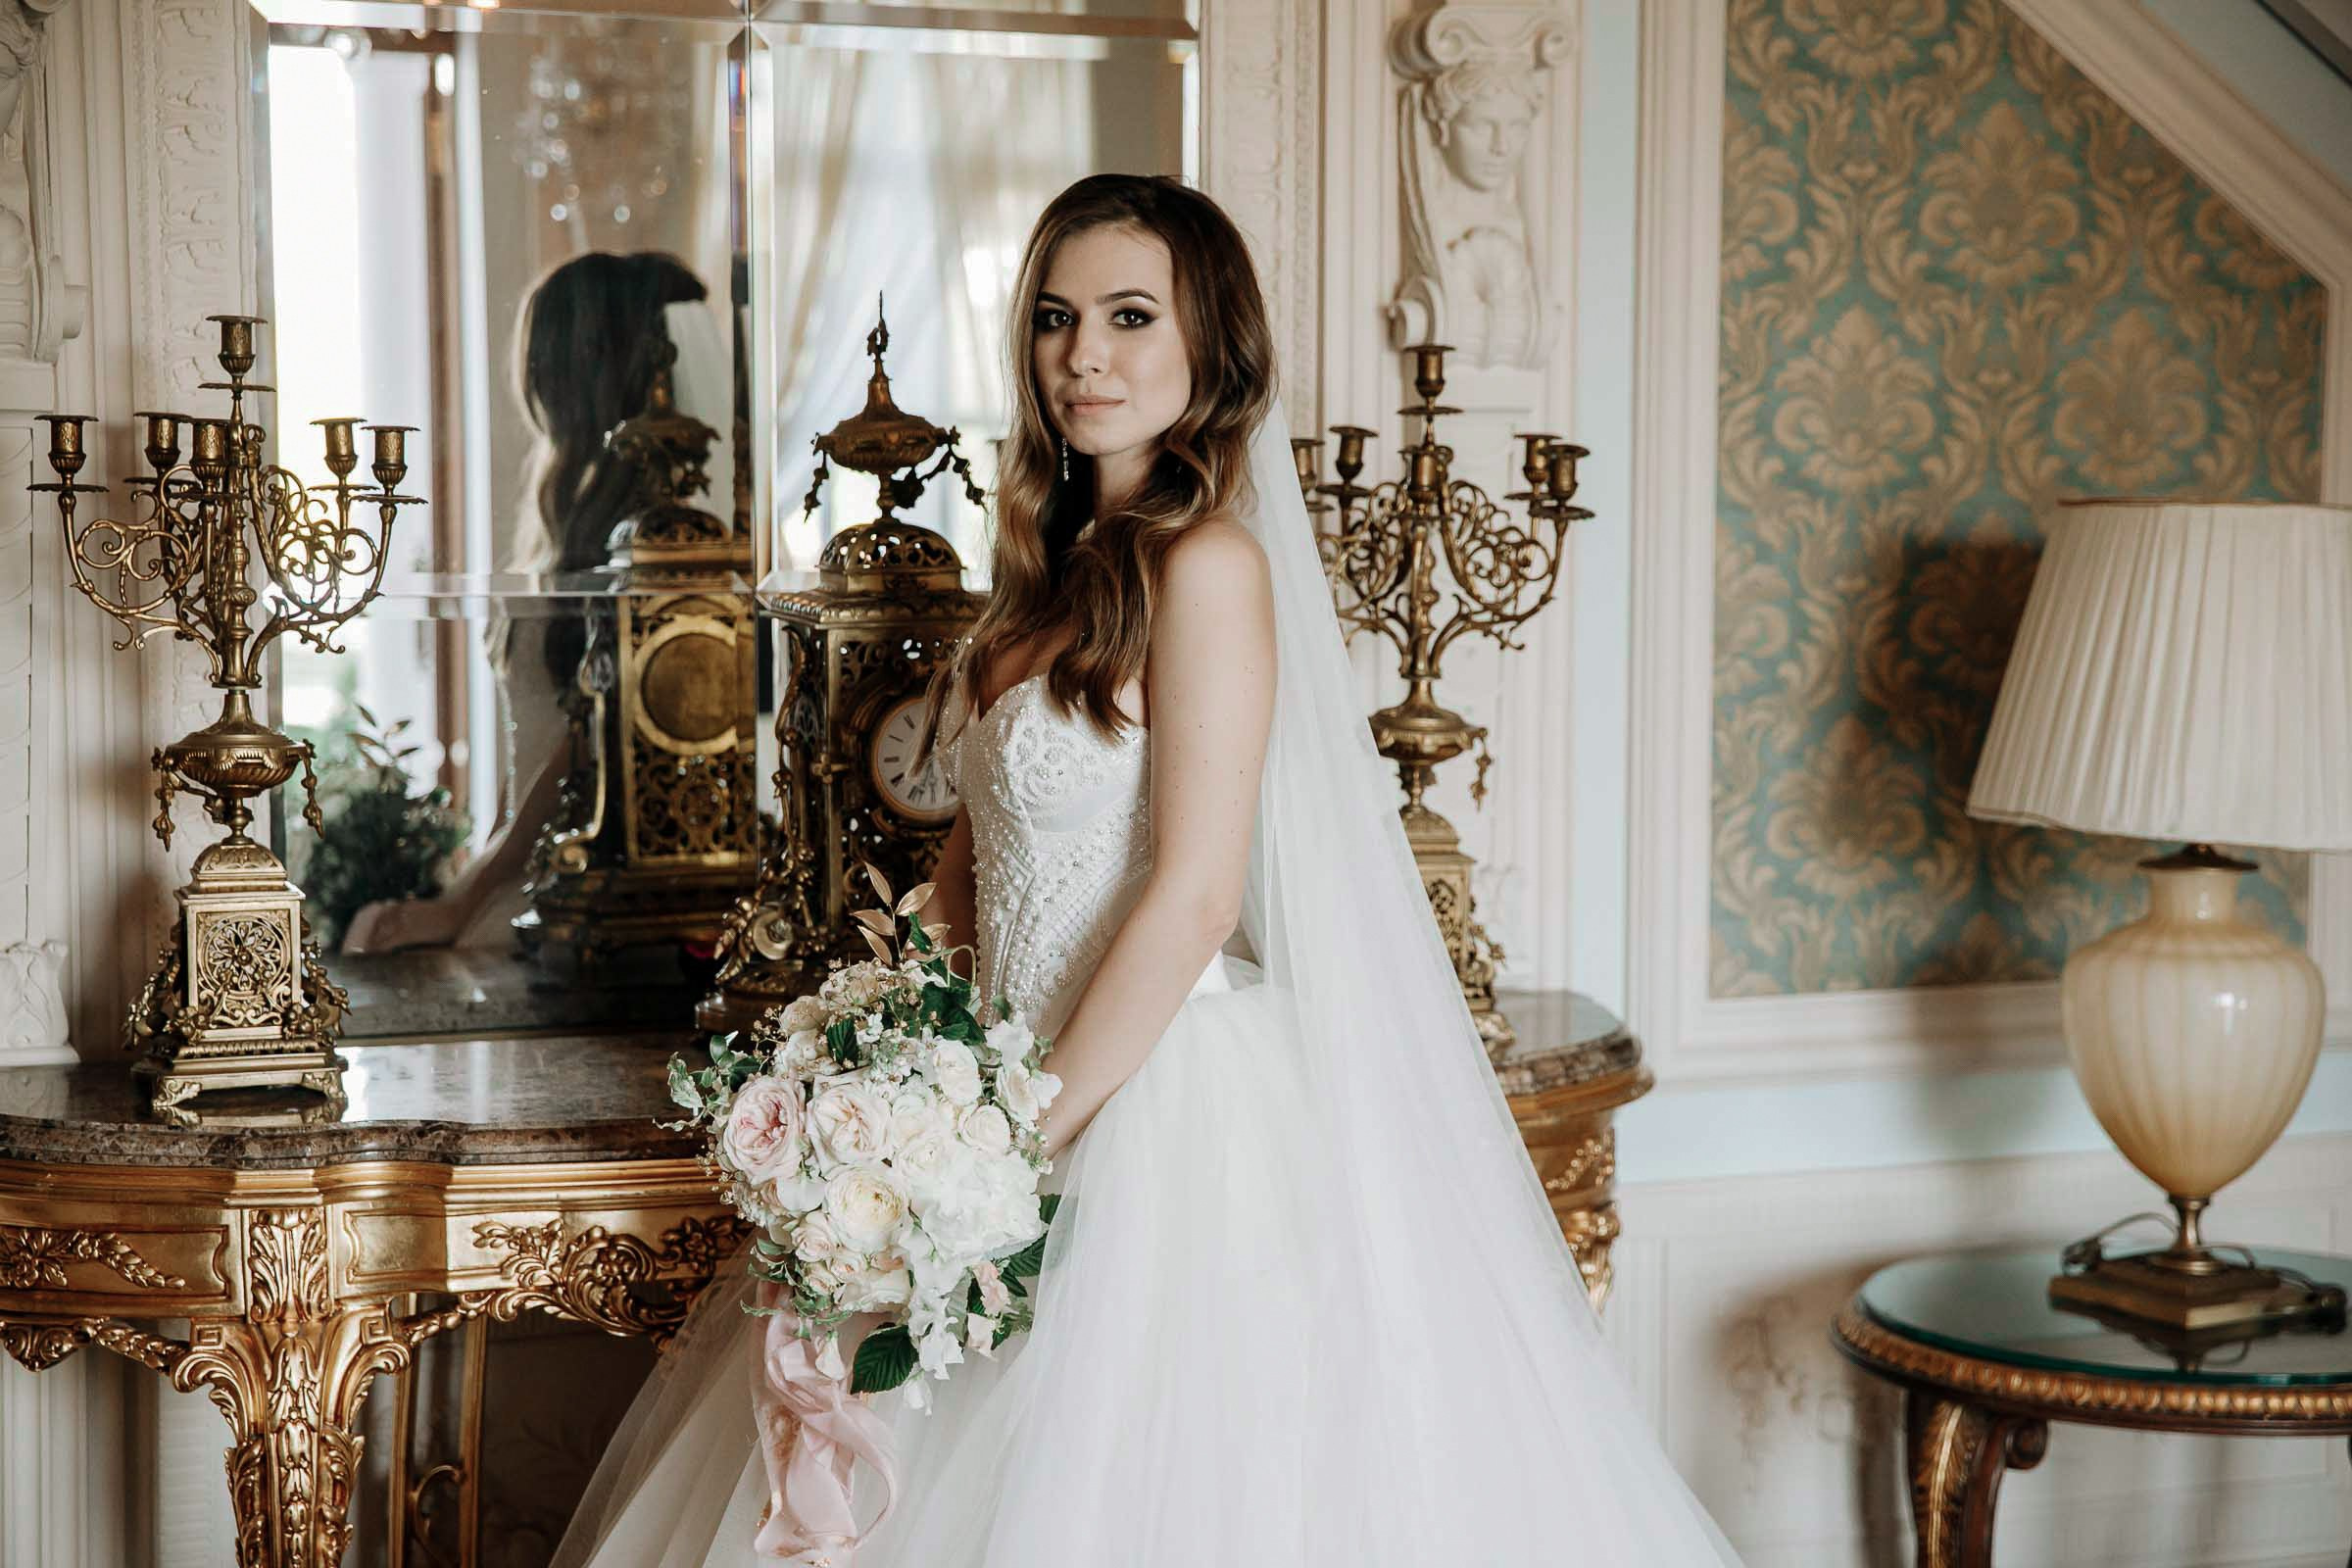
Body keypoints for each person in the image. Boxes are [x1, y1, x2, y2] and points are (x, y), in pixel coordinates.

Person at [552, 174, 1742, 1566]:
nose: (1083, 356)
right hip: (987, 1085)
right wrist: (891, 1075)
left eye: (1129, 316)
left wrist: (1013, 1138)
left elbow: (1195, 895)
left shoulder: (1211, 567)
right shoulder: (1039, 587)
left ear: (1208, 353)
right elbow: (961, 873)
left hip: (1156, 1106)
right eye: (1057, 318)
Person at [344, 250, 731, 955]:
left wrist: (461, 902)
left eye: (545, 361)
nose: (532, 382)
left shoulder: (653, 539)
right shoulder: (574, 519)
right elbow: (536, 762)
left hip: (585, 893)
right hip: (528, 869)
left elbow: (580, 757)